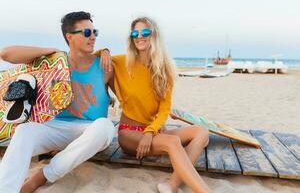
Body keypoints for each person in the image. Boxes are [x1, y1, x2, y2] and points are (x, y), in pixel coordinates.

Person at [0, 11, 116, 193]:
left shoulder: (105, 66)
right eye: (87, 33)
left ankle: (42, 176)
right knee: (24, 130)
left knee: (106, 126)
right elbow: (5, 54)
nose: (93, 37)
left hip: (91, 130)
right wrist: (48, 51)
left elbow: (128, 99)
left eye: (95, 32)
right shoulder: (54, 63)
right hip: (56, 127)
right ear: (69, 37)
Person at [97, 17, 211, 193]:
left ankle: (172, 184)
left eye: (145, 32)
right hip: (129, 133)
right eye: (135, 33)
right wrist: (104, 50)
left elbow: (164, 109)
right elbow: (92, 58)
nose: (139, 36)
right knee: (173, 142)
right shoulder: (122, 61)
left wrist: (150, 131)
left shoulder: (165, 69)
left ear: (154, 35)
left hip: (153, 133)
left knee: (202, 131)